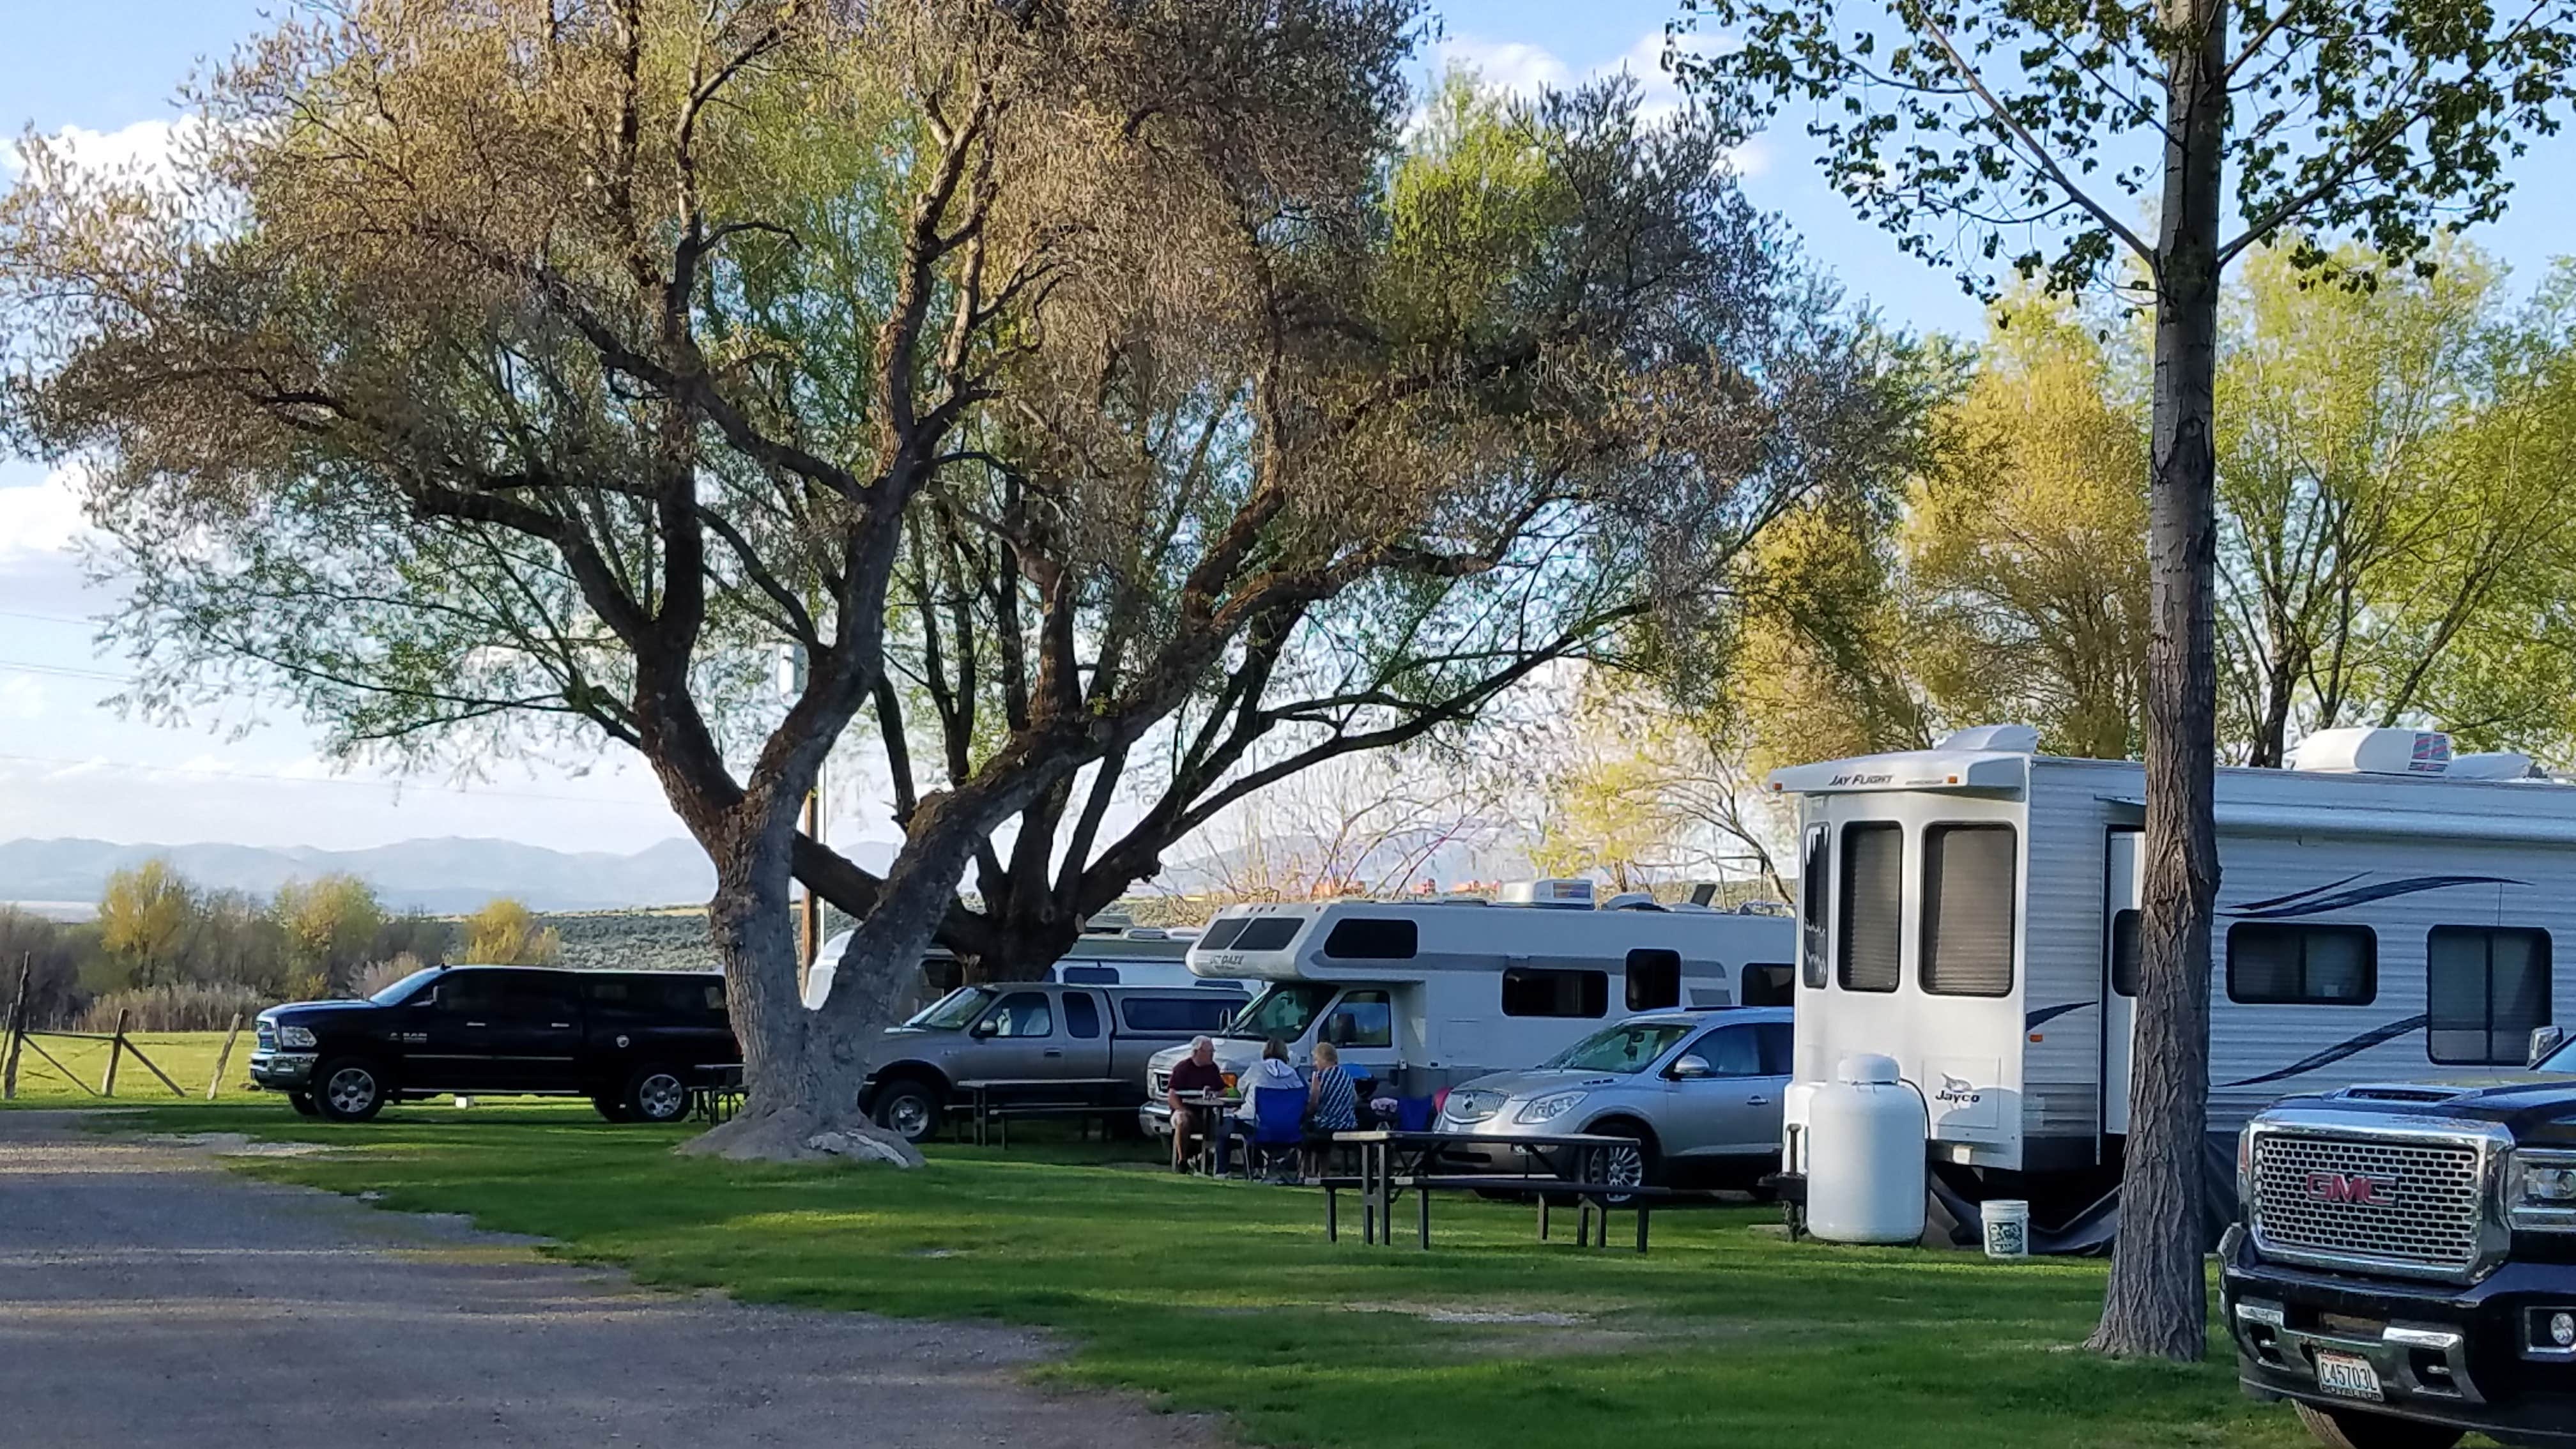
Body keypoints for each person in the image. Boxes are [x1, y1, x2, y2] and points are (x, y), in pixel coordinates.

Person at [1231, 1038, 1303, 1180]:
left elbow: (1240, 1090)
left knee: (1229, 1123)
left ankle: (1230, 1170)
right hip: (1290, 1132)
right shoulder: (1293, 1075)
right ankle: (1287, 1171)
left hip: (1261, 1130)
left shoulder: (1256, 1069)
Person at [1166, 1035, 1227, 1172]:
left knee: (1223, 1126)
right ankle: (1182, 1161)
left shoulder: (1212, 1069)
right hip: (1184, 1110)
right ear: (1197, 1052)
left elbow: (1224, 1090)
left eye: (1213, 1051)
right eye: (1209, 1051)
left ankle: (1205, 1162)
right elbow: (1172, 1095)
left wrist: (1215, 1094)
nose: (1212, 1055)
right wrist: (1183, 1109)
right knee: (1183, 1120)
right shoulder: (1182, 1068)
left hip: (1206, 1114)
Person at [1301, 1039, 1359, 1179]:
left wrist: (1307, 1111)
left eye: (1316, 1060)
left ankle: (1306, 1171)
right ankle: (1323, 1174)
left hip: (1328, 1126)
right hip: (1348, 1125)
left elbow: (1314, 1103)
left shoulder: (1320, 1076)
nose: (1315, 1064)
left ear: (1322, 1059)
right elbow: (1355, 1099)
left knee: (1305, 1130)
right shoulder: (1347, 1076)